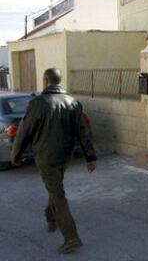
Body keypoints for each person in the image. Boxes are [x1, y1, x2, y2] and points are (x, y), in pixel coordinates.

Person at [11, 68, 97, 254]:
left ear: (45, 81)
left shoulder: (37, 103)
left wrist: (15, 155)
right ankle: (50, 219)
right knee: (55, 188)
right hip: (64, 157)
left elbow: (24, 132)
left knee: (57, 194)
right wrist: (90, 157)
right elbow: (83, 133)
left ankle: (71, 237)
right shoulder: (73, 103)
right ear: (59, 81)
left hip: (45, 157)